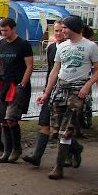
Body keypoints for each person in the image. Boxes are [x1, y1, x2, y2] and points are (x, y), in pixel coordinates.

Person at [36, 15, 98, 180]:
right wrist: (46, 93)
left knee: (66, 131)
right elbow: (55, 70)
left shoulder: (90, 46)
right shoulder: (62, 47)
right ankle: (76, 148)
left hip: (78, 89)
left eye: (65, 28)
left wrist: (88, 86)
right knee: (56, 131)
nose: (62, 31)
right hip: (61, 88)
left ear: (73, 28)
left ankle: (58, 168)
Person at [23, 20, 67, 166]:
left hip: (67, 91)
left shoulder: (70, 48)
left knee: (63, 127)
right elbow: (51, 70)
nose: (59, 33)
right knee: (44, 122)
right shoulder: (52, 48)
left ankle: (73, 151)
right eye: (56, 31)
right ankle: (37, 156)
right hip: (51, 90)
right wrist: (46, 90)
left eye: (61, 30)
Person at [0, 17, 34, 163]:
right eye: (2, 30)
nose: (3, 33)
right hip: (3, 84)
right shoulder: (0, 44)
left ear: (14, 29)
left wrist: (22, 83)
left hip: (17, 85)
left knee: (12, 119)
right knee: (3, 119)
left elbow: (29, 65)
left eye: (6, 30)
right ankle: (6, 151)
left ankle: (16, 149)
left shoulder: (23, 45)